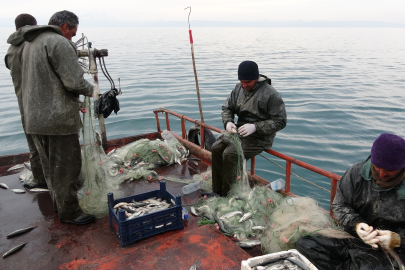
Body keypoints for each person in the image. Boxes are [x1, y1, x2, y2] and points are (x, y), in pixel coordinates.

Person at [19, 10, 94, 224]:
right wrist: (92, 90)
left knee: (51, 170)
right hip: (57, 121)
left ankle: (59, 207)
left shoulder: (29, 44)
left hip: (35, 118)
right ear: (65, 26)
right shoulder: (59, 42)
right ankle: (70, 214)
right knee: (67, 169)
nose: (72, 38)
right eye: (72, 33)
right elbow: (73, 82)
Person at [296, 133, 405, 269]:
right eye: (377, 167)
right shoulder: (356, 172)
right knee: (306, 243)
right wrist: (357, 226)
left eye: (389, 170)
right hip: (355, 239)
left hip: (393, 250)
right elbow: (339, 205)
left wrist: (397, 239)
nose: (382, 174)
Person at [208, 61, 287, 197]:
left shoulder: (270, 94)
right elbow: (227, 107)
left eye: (248, 82)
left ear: (256, 78)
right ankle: (217, 191)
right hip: (240, 131)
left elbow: (281, 121)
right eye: (242, 81)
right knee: (216, 148)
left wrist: (256, 127)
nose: (245, 85)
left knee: (230, 154)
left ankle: (227, 196)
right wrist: (228, 122)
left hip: (261, 137)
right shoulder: (239, 88)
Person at [5, 14, 47, 188]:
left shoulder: (10, 50)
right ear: (34, 27)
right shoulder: (32, 45)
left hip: (23, 103)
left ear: (16, 28)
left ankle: (39, 178)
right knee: (47, 145)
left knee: (33, 144)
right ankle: (52, 181)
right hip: (40, 103)